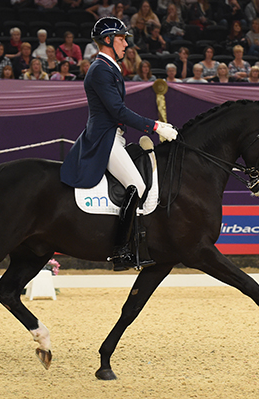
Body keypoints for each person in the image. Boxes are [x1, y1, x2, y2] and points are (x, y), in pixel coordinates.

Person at [60, 17, 178, 271]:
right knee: (136, 184)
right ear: (108, 40)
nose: (126, 44)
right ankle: (120, 251)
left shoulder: (110, 67)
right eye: (122, 39)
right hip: (104, 138)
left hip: (114, 136)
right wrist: (155, 126)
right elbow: (117, 111)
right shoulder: (101, 69)